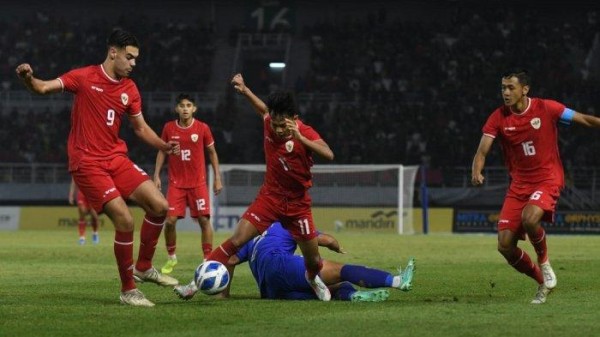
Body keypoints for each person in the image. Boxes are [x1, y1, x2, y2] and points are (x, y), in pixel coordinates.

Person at [16, 29, 181, 307]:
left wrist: (163, 146)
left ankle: (143, 266)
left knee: (160, 206)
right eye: (129, 57)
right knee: (125, 220)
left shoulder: (129, 88)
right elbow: (42, 88)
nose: (133, 64)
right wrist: (28, 78)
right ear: (113, 52)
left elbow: (140, 128)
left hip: (115, 158)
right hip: (87, 162)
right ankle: (128, 290)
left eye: (136, 59)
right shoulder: (83, 77)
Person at [471, 69, 600, 304]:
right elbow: (482, 149)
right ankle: (542, 281)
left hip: (547, 178)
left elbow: (583, 119)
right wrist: (476, 170)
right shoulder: (498, 117)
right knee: (505, 246)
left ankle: (545, 262)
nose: (506, 92)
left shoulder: (547, 108)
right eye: (503, 88)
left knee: (530, 218)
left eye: (511, 87)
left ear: (525, 89)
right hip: (519, 185)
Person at [203, 73, 336, 301]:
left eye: (283, 125)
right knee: (236, 241)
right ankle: (198, 278)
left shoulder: (304, 131)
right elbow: (264, 111)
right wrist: (244, 90)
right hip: (270, 198)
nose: (278, 130)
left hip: (298, 204)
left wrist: (300, 138)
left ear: (294, 118)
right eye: (274, 125)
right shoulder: (270, 122)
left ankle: (313, 278)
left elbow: (329, 154)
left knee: (313, 261)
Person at [174, 222, 416, 302]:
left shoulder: (251, 235)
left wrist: (224, 294)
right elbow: (324, 239)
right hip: (282, 264)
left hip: (270, 291)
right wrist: (335, 244)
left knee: (329, 290)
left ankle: (353, 297)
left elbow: (231, 259)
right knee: (340, 271)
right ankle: (397, 280)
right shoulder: (287, 222)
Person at [153, 93, 223, 274]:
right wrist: (157, 175)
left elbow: (213, 153)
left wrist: (217, 178)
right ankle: (171, 257)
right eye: (182, 105)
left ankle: (207, 259)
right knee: (169, 222)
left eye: (188, 105)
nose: (185, 108)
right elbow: (162, 151)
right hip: (176, 184)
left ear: (194, 109)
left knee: (204, 220)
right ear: (177, 108)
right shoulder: (169, 128)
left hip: (198, 184)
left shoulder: (202, 128)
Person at [69, 177, 100, 245]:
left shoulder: (93, 167)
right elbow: (74, 181)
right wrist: (71, 195)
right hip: (82, 194)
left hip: (93, 193)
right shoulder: (77, 167)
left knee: (94, 216)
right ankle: (82, 238)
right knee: (82, 214)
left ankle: (95, 233)